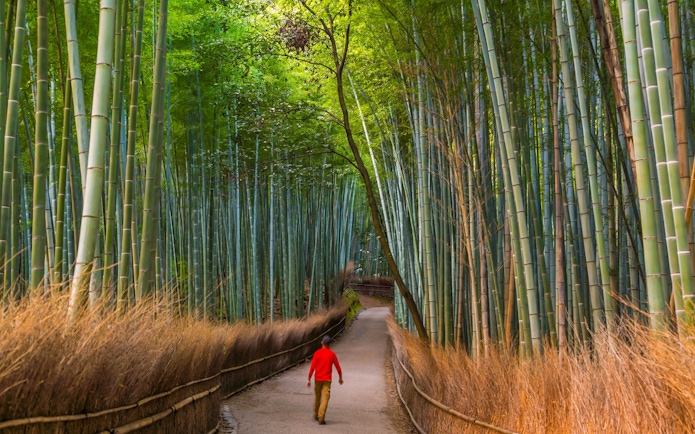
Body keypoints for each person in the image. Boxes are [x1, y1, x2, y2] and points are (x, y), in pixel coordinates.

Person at [307, 334, 343, 425]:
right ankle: (321, 418)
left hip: (317, 379)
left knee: (318, 396)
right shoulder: (332, 354)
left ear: (322, 342)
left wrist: (309, 378)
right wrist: (340, 377)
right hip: (327, 379)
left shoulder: (317, 353)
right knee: (325, 398)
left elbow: (312, 367)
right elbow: (338, 367)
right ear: (330, 344)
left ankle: (316, 414)